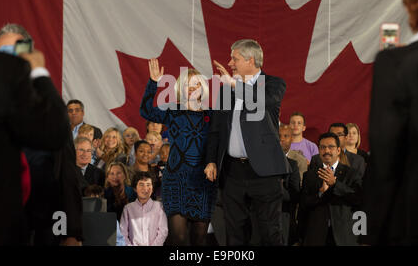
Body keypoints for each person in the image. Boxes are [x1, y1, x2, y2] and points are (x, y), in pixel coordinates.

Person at [0, 13, 79, 245]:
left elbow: (66, 176)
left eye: (16, 53)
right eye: (3, 54)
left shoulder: (49, 108)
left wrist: (72, 232)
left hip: (46, 226)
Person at [361, 0, 418, 245]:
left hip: (417, 216)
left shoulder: (396, 63)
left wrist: (374, 231)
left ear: (414, 4)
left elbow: (385, 156)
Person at [205, 39, 290, 246]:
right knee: (234, 232)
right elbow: (216, 130)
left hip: (265, 172)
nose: (230, 63)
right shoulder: (226, 91)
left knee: (270, 231)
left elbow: (264, 102)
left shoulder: (273, 84)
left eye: (234, 59)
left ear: (250, 60)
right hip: (232, 172)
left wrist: (236, 84)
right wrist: (211, 161)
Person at [140, 60, 217, 246]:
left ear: (203, 87)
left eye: (196, 84)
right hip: (176, 181)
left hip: (203, 182)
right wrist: (153, 82)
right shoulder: (172, 110)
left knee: (199, 240)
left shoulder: (212, 114)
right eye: (187, 85)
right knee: (179, 239)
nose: (191, 89)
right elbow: (146, 111)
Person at [300, 133, 362, 246]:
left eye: (331, 147)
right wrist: (320, 193)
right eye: (323, 147)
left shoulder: (351, 173)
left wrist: (335, 184)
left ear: (338, 150)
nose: (326, 150)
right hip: (316, 236)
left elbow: (358, 199)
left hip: (343, 237)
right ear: (319, 150)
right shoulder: (309, 175)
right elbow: (303, 205)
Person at [120, 171, 168, 246]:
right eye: (141, 185)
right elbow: (123, 233)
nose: (145, 188)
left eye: (148, 185)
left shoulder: (159, 207)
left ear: (152, 188)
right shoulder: (128, 209)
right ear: (135, 188)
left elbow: (163, 231)